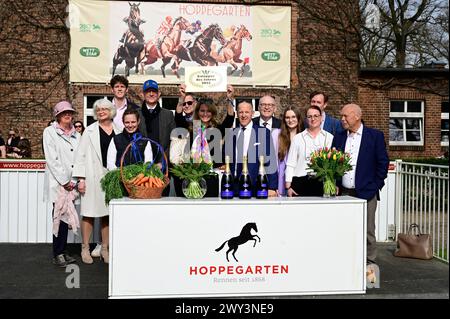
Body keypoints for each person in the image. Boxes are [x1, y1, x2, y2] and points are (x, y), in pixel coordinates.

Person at [332, 103, 389, 265]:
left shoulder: (375, 136)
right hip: (344, 193)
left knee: (368, 230)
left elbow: (383, 163)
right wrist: (336, 183)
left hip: (367, 192)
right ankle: (347, 262)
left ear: (357, 116)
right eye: (341, 116)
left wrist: (375, 185)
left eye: (345, 116)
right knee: (345, 229)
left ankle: (370, 266)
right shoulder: (340, 137)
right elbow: (333, 163)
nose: (342, 119)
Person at [73, 98, 120, 264]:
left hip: (111, 177)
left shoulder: (118, 129)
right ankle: (85, 248)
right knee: (89, 214)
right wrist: (81, 179)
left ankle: (105, 249)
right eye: (98, 109)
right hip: (92, 176)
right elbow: (80, 156)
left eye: (104, 109)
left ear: (111, 111)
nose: (101, 112)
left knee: (107, 214)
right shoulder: (90, 131)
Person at [172, 93, 236, 197]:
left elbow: (229, 118)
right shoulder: (191, 128)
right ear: (197, 112)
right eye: (202, 111)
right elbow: (178, 117)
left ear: (213, 112)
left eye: (208, 111)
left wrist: (229, 99)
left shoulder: (217, 129)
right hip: (192, 176)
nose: (205, 114)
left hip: (212, 176)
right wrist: (181, 98)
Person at [42, 101, 80, 267]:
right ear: (57, 115)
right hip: (58, 183)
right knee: (58, 215)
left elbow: (80, 158)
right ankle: (57, 252)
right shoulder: (50, 132)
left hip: (71, 183)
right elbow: (52, 158)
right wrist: (65, 181)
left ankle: (63, 251)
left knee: (67, 216)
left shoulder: (77, 134)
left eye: (70, 113)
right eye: (64, 113)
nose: (68, 115)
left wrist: (74, 180)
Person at [224, 101, 278, 197]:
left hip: (256, 187)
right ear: (237, 113)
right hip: (234, 188)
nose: (243, 115)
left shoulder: (263, 132)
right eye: (241, 112)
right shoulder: (231, 134)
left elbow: (271, 161)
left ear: (252, 114)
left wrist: (272, 187)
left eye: (247, 112)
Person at [285, 105, 334, 197]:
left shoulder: (330, 138)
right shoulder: (298, 138)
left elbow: (333, 165)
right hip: (299, 183)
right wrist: (288, 186)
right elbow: (290, 163)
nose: (313, 119)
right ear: (306, 119)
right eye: (309, 116)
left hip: (322, 183)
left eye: (316, 116)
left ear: (321, 117)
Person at [271, 107, 304, 196]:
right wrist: (273, 186)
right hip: (280, 182)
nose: (290, 120)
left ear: (298, 118)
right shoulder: (276, 134)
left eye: (293, 117)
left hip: (299, 182)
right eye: (287, 117)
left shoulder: (304, 136)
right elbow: (272, 162)